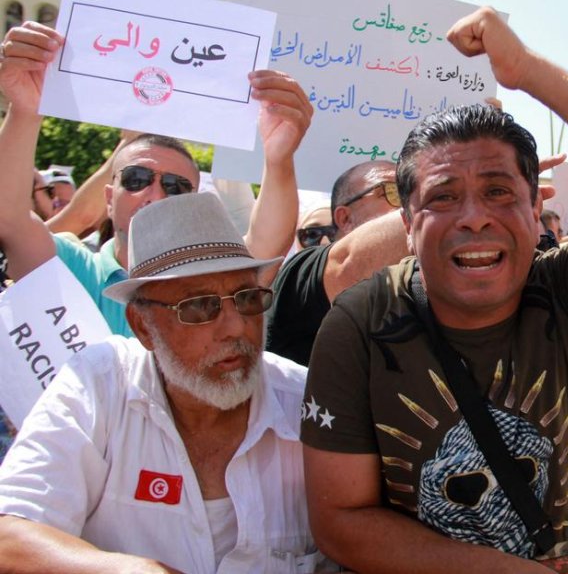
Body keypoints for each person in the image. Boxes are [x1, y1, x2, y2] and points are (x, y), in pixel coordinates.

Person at [301, 7, 568, 573]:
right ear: (405, 225)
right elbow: (341, 519)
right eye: (443, 197)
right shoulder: (361, 322)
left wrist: (528, 70)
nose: (475, 217)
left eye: (500, 191)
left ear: (538, 211)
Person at [0, 193, 325, 572]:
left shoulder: (307, 404)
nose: (236, 327)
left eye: (248, 298)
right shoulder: (101, 385)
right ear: (143, 328)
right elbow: (11, 536)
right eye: (200, 306)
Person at [0, 22, 312, 337]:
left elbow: (266, 244)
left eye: (176, 187)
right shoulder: (72, 268)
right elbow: (9, 219)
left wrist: (279, 160)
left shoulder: (213, 284)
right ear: (109, 198)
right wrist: (24, 110)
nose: (156, 194)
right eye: (137, 178)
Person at [266, 160, 400, 366]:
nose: (411, 200)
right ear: (345, 218)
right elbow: (352, 263)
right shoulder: (302, 270)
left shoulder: (431, 289)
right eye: (395, 191)